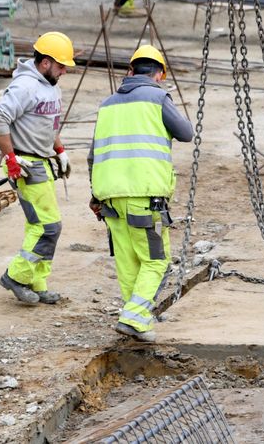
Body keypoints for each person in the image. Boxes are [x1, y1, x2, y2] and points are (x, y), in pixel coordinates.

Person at [87, 45, 193, 342]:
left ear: (130, 72)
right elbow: (186, 132)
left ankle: (138, 320)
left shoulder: (107, 104)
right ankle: (134, 317)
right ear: (159, 74)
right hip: (144, 197)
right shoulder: (159, 97)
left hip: (109, 198)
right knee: (156, 261)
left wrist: (95, 196)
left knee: (128, 261)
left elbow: (93, 155)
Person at [0, 31, 76, 306]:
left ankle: (37, 282)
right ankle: (16, 277)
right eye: (61, 65)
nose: (64, 71)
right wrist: (11, 159)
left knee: (41, 226)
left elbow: (49, 125)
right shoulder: (25, 87)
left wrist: (59, 150)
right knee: (48, 227)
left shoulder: (51, 87)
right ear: (46, 62)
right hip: (27, 165)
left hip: (42, 162)